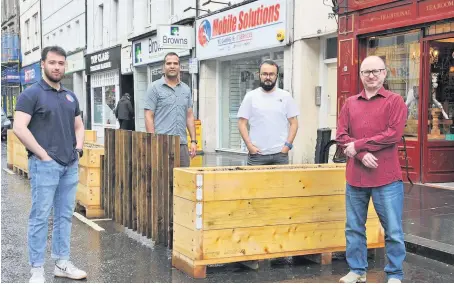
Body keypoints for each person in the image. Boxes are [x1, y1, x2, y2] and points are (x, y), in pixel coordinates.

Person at [13, 46, 87, 283]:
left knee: (65, 215)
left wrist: (78, 150)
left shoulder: (69, 96)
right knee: (40, 216)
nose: (57, 67)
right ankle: (36, 269)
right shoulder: (31, 94)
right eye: (52, 63)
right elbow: (19, 127)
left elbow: (78, 126)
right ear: (43, 64)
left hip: (69, 165)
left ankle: (62, 263)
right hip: (45, 165)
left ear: (65, 66)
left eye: (61, 63)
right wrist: (43, 155)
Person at [336, 56, 407, 283]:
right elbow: (341, 136)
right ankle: (357, 271)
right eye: (366, 72)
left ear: (385, 73)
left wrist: (358, 144)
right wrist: (360, 153)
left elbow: (393, 135)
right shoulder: (350, 103)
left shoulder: (395, 102)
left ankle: (395, 274)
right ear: (360, 75)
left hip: (386, 178)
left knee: (393, 230)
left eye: (376, 71)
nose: (371, 75)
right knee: (354, 228)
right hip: (355, 177)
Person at [237, 59, 299, 165]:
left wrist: (287, 146)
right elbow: (242, 123)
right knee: (255, 182)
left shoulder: (285, 96)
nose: (268, 77)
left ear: (276, 76)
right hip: (257, 155)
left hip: (280, 155)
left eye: (271, 74)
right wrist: (249, 146)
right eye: (264, 74)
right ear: (259, 75)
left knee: (281, 182)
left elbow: (294, 123)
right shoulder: (251, 97)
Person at [144, 52, 196, 167]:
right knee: (163, 182)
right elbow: (148, 116)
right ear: (164, 67)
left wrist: (193, 141)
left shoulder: (186, 89)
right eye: (169, 63)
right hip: (162, 143)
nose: (172, 66)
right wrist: (153, 141)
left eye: (175, 63)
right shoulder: (154, 88)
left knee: (183, 181)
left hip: (181, 144)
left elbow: (189, 116)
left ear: (179, 67)